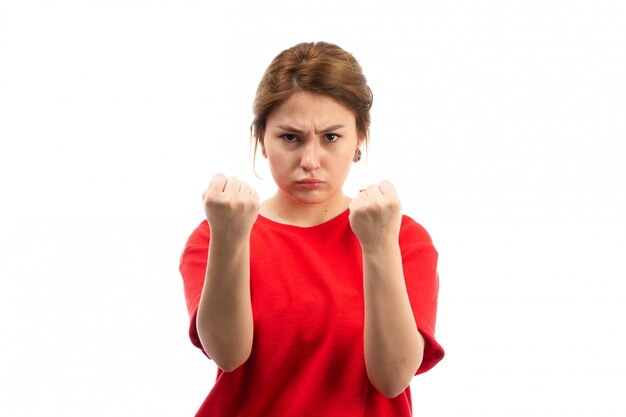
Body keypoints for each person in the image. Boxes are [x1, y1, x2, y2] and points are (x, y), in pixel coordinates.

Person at [179, 41, 444, 416]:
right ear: (262, 142)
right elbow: (228, 355)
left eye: (331, 137)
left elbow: (393, 377)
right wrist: (230, 238)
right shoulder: (216, 234)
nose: (310, 161)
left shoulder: (402, 238)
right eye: (290, 137)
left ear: (359, 140)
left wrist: (379, 246)